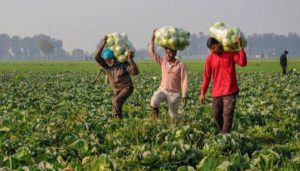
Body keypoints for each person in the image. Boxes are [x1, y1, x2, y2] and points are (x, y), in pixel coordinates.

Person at [199, 37, 247, 134]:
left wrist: (240, 47)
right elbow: (206, 77)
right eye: (210, 49)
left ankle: (225, 137)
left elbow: (243, 63)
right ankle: (224, 134)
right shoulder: (210, 59)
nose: (212, 51)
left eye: (213, 48)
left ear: (218, 44)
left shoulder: (230, 53)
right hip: (216, 92)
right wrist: (202, 93)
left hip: (230, 90)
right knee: (216, 115)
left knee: (227, 115)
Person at [95, 36, 139, 118]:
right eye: (106, 60)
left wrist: (130, 60)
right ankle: (117, 118)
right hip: (116, 89)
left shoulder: (123, 65)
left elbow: (135, 72)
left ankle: (118, 119)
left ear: (113, 58)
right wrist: (103, 43)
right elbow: (97, 57)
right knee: (114, 102)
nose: (108, 61)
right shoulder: (107, 67)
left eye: (109, 59)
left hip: (127, 88)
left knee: (117, 101)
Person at [148, 29, 188, 119]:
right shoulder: (163, 62)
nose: (168, 55)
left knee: (173, 116)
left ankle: (174, 125)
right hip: (162, 90)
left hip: (174, 93)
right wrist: (152, 38)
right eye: (167, 53)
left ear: (175, 53)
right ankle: (156, 120)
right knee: (154, 101)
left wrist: (184, 94)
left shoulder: (181, 65)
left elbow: (184, 80)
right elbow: (151, 52)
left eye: (170, 53)